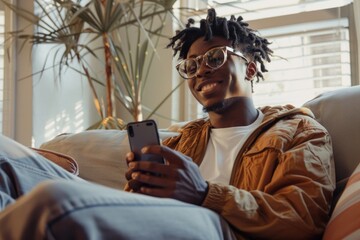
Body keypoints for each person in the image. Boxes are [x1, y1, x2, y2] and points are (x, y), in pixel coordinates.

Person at [0, 8, 334, 240]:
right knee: (6, 164)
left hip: (226, 231)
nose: (200, 70)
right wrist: (137, 187)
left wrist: (206, 194)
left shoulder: (300, 132)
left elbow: (302, 218)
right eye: (191, 66)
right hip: (166, 221)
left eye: (214, 58)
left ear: (249, 68)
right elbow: (143, 207)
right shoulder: (183, 140)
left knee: (52, 202)